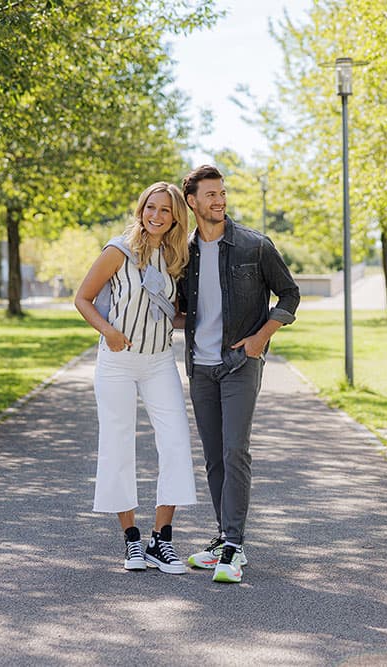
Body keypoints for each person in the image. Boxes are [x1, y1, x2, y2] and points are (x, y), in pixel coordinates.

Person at [178, 165, 300, 584]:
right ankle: (225, 538)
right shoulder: (184, 252)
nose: (219, 201)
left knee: (235, 452)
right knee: (213, 457)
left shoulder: (253, 245)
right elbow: (181, 307)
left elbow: (290, 293)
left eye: (222, 193)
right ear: (192, 202)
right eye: (210, 195)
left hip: (240, 364)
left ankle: (233, 543)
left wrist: (260, 338)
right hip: (200, 366)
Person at [74, 181, 197, 575]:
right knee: (117, 444)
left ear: (176, 216)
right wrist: (107, 331)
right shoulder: (118, 251)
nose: (156, 216)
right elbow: (82, 298)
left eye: (165, 210)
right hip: (117, 362)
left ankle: (162, 540)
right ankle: (131, 541)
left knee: (176, 442)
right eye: (150, 207)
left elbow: (173, 314)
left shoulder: (179, 257)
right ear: (141, 209)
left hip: (160, 360)